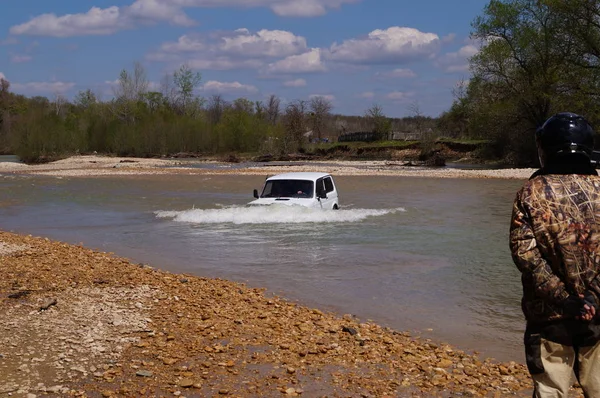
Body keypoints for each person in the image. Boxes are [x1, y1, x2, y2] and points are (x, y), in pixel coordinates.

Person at [510, 112, 600, 397]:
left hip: (549, 316)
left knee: (551, 391)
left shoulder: (529, 192)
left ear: (545, 148)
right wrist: (592, 298)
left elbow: (526, 257)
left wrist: (565, 299)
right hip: (598, 314)